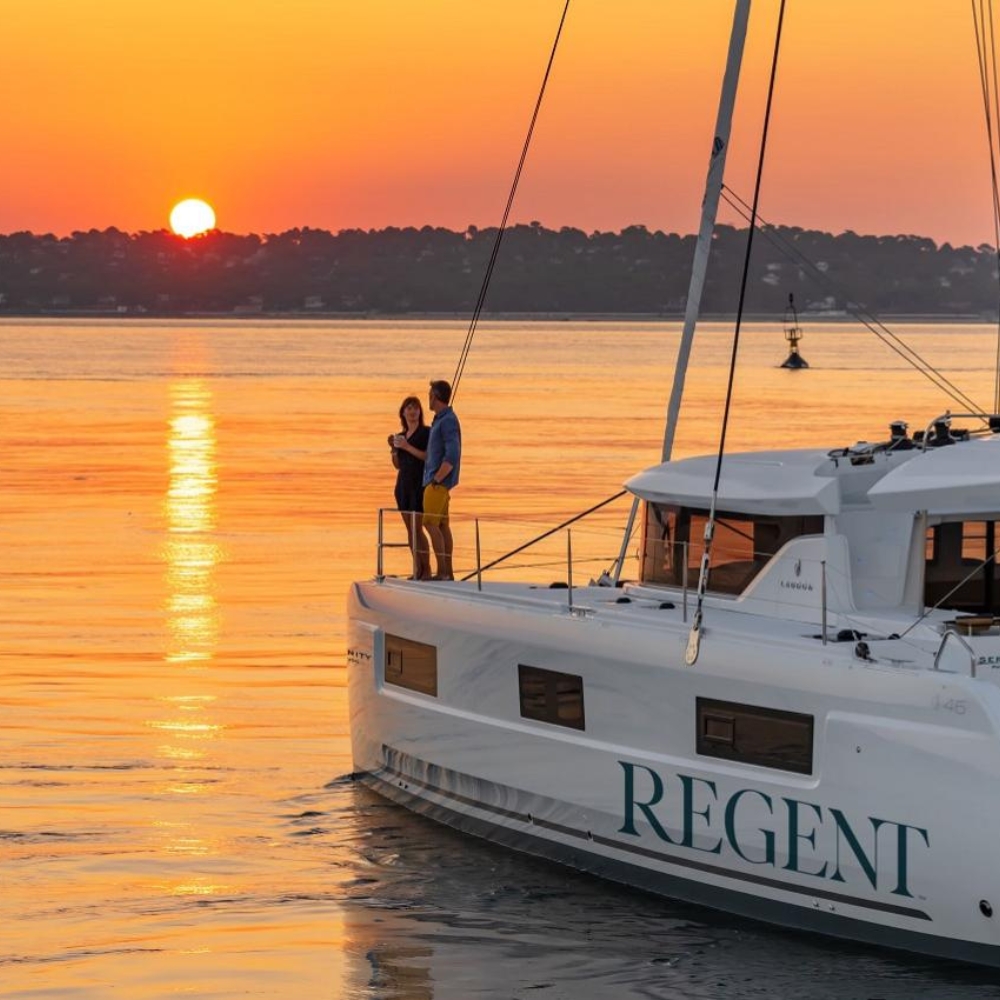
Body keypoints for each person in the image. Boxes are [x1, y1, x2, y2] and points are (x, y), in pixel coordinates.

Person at [422, 379, 462, 581]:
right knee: (443, 525)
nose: (428, 399)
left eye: (430, 395)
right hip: (438, 483)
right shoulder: (440, 419)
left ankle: (442, 572)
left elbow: (452, 455)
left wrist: (437, 479)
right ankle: (448, 572)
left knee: (430, 523)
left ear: (436, 397)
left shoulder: (447, 421)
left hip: (437, 483)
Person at [389, 395, 432, 580]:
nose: (413, 411)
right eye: (409, 408)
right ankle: (417, 568)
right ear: (403, 413)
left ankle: (427, 569)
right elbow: (398, 465)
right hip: (403, 486)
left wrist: (407, 447)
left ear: (420, 412)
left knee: (418, 529)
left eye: (415, 408)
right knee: (410, 530)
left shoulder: (426, 432)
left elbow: (427, 457)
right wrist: (394, 450)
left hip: (419, 485)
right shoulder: (401, 436)